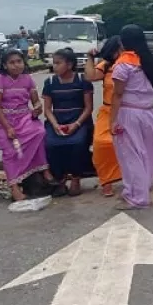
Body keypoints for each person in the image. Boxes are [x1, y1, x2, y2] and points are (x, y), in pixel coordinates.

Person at [110, 25, 153, 210]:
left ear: (123, 42)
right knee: (148, 154)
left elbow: (117, 95)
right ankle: (143, 191)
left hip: (129, 113)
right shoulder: (150, 60)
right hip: (148, 112)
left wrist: (112, 121)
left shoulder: (123, 64)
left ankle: (136, 196)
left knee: (130, 155)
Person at [0, 49, 53, 201]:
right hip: (0, 119)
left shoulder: (27, 79)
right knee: (10, 150)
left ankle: (44, 170)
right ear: (5, 65)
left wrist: (37, 108)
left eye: (19, 61)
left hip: (23, 116)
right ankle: (14, 187)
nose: (16, 65)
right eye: (12, 63)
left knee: (39, 133)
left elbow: (35, 101)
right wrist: (8, 127)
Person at [42, 48, 95, 196]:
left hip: (79, 120)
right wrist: (55, 125)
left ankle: (76, 178)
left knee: (77, 143)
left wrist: (76, 124)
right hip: (57, 121)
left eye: (58, 63)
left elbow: (88, 107)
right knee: (50, 144)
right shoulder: (50, 82)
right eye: (54, 63)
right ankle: (60, 179)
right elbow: (47, 109)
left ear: (70, 64)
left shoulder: (82, 81)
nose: (55, 66)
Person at [85, 36, 123, 197]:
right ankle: (107, 180)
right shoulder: (106, 65)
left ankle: (133, 178)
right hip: (108, 111)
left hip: (127, 111)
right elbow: (90, 76)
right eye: (118, 49)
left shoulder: (131, 64)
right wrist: (90, 57)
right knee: (101, 144)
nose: (121, 52)